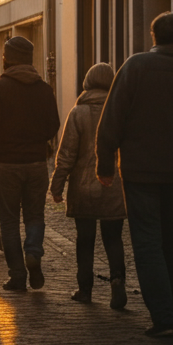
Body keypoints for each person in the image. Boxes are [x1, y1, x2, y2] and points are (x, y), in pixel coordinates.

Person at [96, 12, 173, 336]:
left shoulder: (135, 67)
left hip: (140, 172)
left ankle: (163, 315)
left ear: (154, 38)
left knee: (147, 240)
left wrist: (105, 165)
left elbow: (111, 121)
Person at [0, 36, 60, 292]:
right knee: (35, 215)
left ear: (7, 59)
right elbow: (53, 124)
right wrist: (38, 142)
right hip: (36, 162)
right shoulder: (44, 89)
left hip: (8, 163)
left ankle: (17, 274)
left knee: (9, 220)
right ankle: (33, 252)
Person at [51, 63, 127, 308]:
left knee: (84, 240)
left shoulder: (78, 113)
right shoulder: (121, 112)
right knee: (113, 238)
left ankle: (85, 289)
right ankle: (117, 281)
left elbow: (67, 154)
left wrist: (57, 185)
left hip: (83, 187)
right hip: (114, 185)